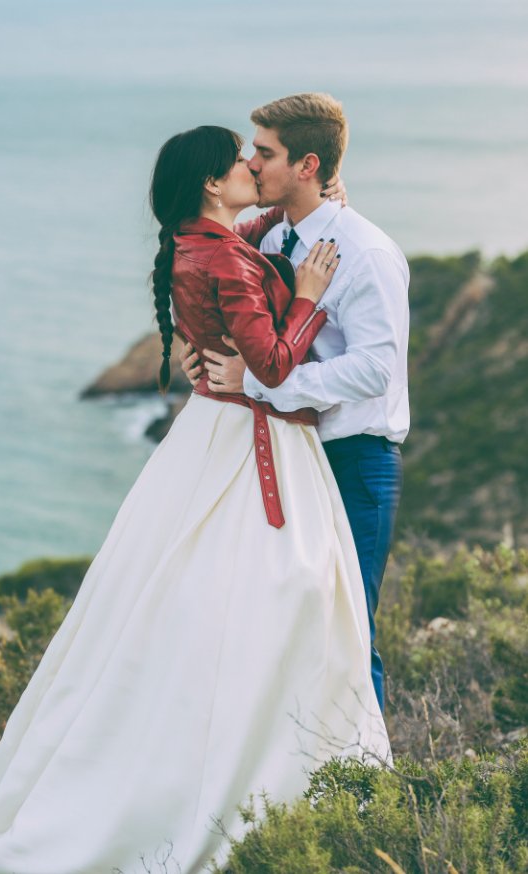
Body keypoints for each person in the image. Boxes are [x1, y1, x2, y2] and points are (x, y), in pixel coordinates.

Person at [0, 125, 390, 874]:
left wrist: (294, 214)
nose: (250, 169)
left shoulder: (196, 242)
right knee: (282, 607)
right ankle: (261, 782)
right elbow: (268, 363)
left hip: (209, 437)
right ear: (211, 182)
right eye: (241, 160)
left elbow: (243, 249)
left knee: (184, 608)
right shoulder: (227, 256)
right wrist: (306, 297)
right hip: (251, 440)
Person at [180, 93, 410, 715]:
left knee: (347, 635)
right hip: (288, 457)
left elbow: (375, 369)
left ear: (307, 165)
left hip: (354, 459)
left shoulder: (364, 252)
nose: (251, 164)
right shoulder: (276, 233)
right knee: (277, 629)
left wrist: (256, 383)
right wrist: (202, 354)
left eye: (265, 153)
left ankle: (362, 797)